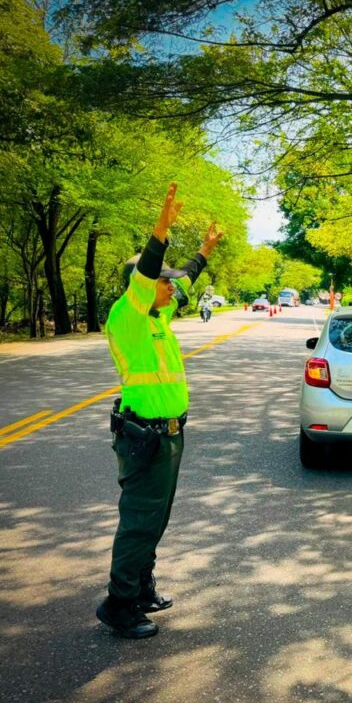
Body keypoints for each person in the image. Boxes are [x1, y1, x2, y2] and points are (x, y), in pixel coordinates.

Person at [97, 183, 224, 639]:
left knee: (157, 517)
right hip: (144, 437)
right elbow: (151, 272)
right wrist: (161, 230)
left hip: (168, 435)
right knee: (139, 521)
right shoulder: (127, 316)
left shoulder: (158, 315)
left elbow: (185, 278)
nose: (172, 286)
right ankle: (119, 603)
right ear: (145, 286)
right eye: (163, 280)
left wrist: (205, 251)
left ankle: (142, 586)